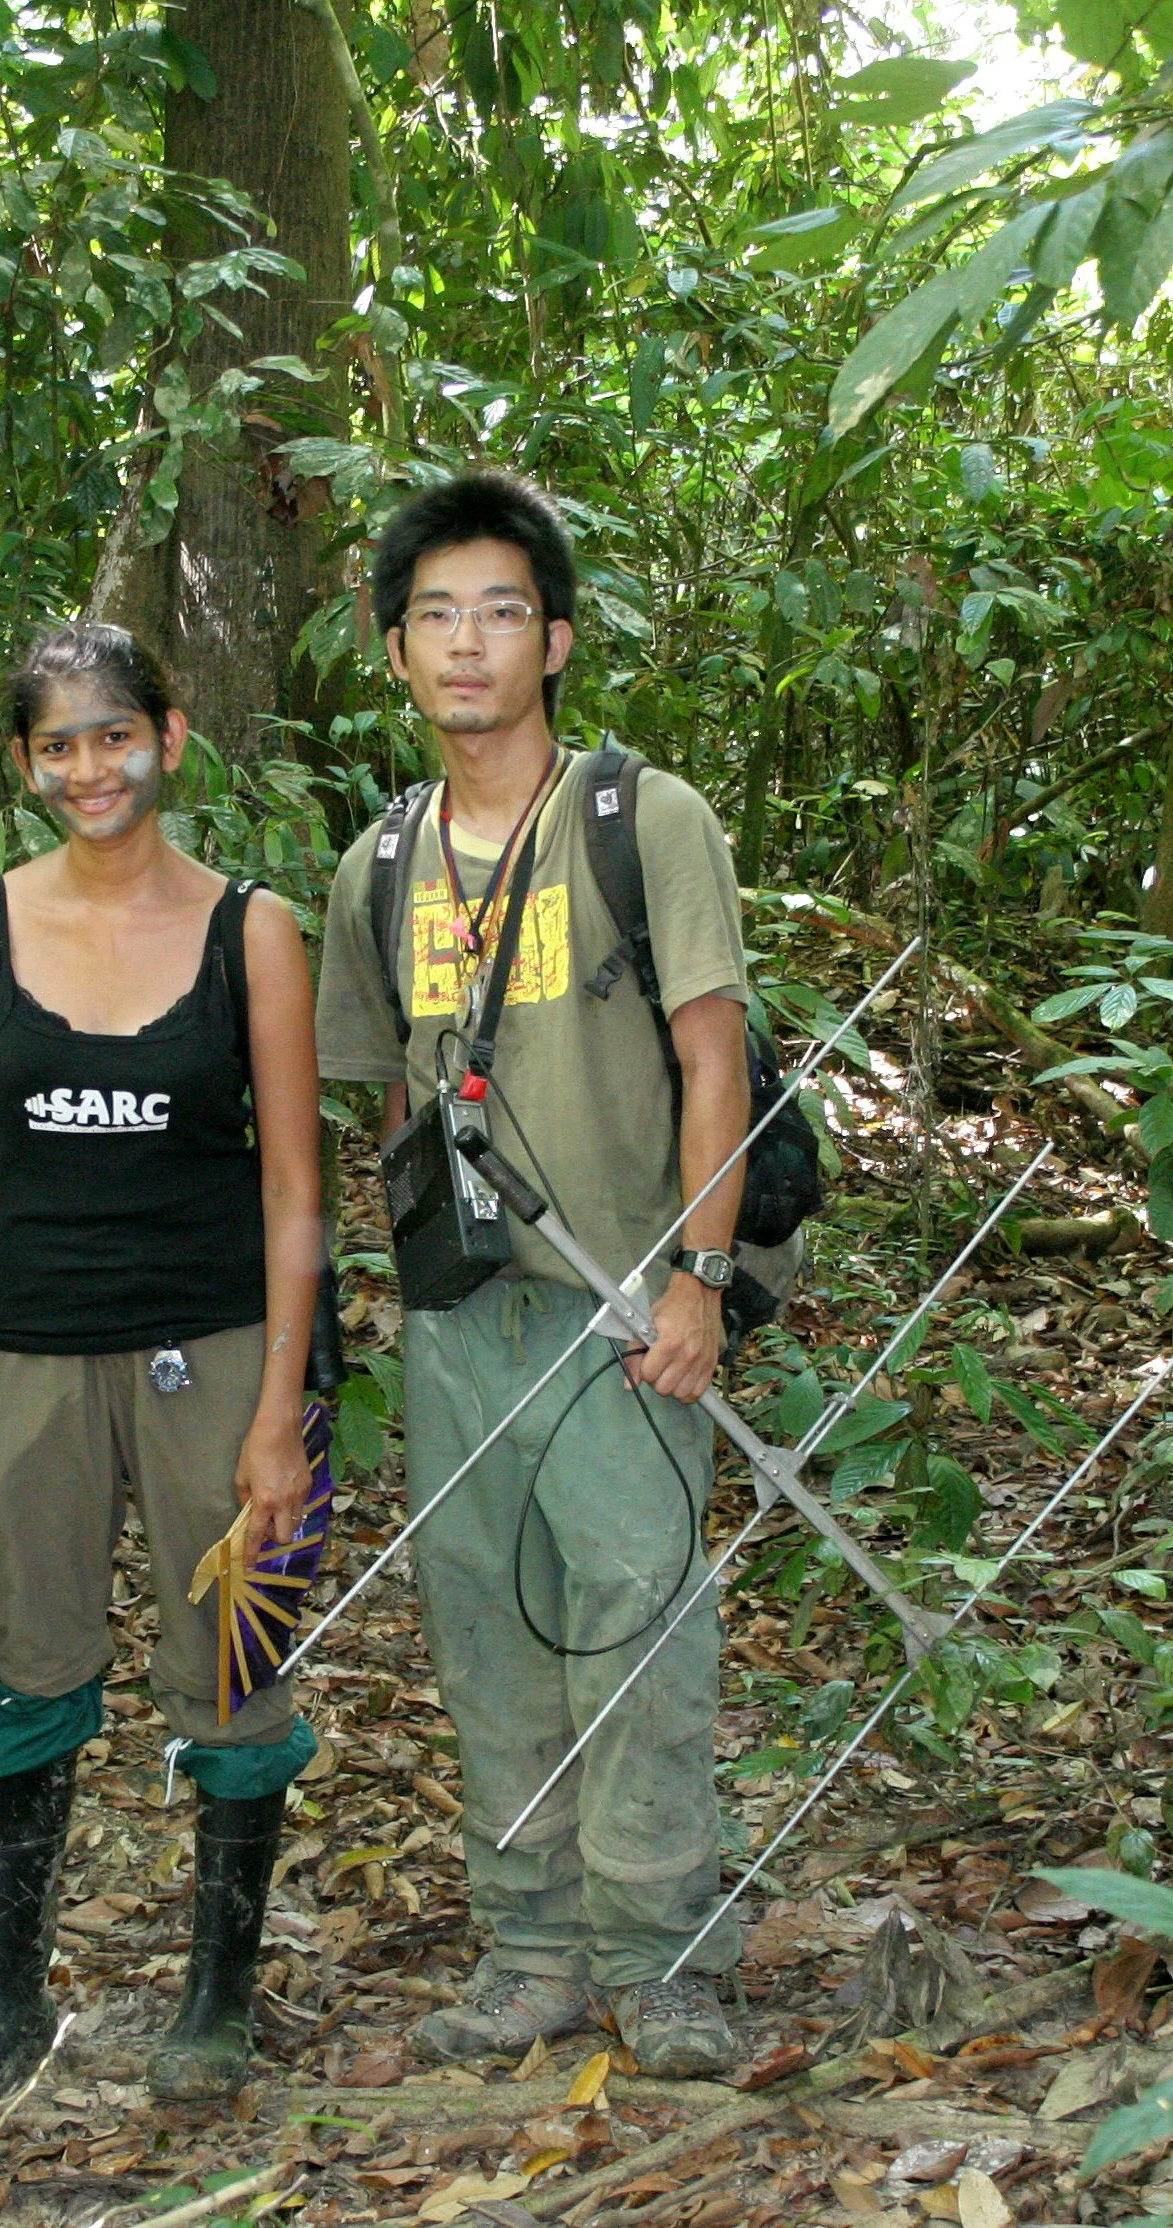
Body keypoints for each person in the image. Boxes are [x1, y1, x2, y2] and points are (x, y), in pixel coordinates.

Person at [315, 473, 750, 2077]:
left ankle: (664, 1953)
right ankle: (531, 1951)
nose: (468, 644)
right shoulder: (378, 861)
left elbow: (715, 1060)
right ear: (396, 652)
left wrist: (701, 1273)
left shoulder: (644, 819)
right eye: (435, 615)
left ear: (555, 639)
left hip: (626, 1297)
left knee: (639, 1622)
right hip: (461, 1316)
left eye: (502, 611)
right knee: (485, 1632)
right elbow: (379, 1089)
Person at [0, 623, 323, 2121]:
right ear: (23, 766)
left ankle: (217, 2004)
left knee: (236, 1660)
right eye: (58, 744)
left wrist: (284, 1411)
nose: (91, 767)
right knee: (27, 1663)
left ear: (171, 735)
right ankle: (6, 2005)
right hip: (26, 1345)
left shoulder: (251, 930)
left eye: (114, 734)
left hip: (213, 1348)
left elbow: (295, 1191)